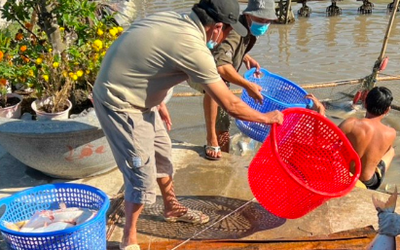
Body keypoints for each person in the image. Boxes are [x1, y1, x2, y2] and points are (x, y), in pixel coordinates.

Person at [92, 0, 284, 249]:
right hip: (120, 104)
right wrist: (269, 118)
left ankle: (171, 208)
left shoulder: (176, 19)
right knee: (141, 177)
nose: (227, 36)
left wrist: (156, 95)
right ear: (216, 28)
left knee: (162, 156)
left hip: (142, 97)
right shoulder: (193, 47)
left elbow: (143, 53)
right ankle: (129, 239)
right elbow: (230, 105)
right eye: (228, 30)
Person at [197, 0, 278, 160]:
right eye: (260, 19)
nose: (264, 24)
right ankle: (211, 139)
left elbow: (225, 47)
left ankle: (223, 151)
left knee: (225, 122)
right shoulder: (236, 31)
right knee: (217, 86)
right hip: (201, 66)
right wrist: (247, 85)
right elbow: (221, 67)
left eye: (267, 21)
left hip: (211, 59)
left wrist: (245, 56)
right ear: (248, 15)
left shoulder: (247, 29)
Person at [338, 86, 396, 190]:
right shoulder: (391, 133)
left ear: (365, 103)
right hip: (369, 183)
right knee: (391, 151)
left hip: (346, 176)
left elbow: (328, 141)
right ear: (387, 110)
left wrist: (321, 112)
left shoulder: (350, 123)